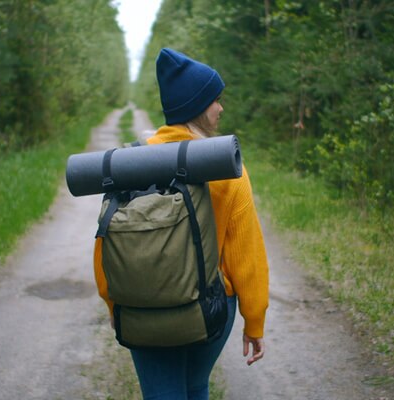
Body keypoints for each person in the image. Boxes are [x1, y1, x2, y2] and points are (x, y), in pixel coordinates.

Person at [93, 47, 269, 400]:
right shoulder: (225, 167)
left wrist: (115, 304)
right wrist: (254, 320)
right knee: (195, 386)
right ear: (198, 106)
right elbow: (246, 255)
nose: (221, 108)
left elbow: (106, 242)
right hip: (210, 308)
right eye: (215, 100)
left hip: (142, 308)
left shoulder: (131, 164)